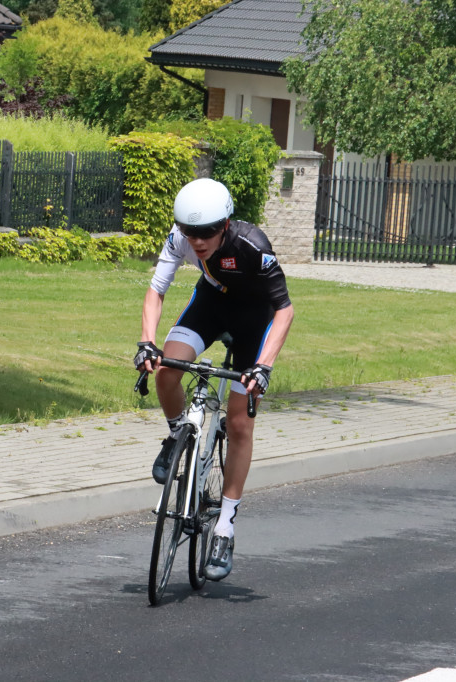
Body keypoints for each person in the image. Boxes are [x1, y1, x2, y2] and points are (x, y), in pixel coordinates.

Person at [134, 177, 294, 582]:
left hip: (253, 323)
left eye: (206, 232)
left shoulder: (253, 247)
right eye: (191, 232)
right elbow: (156, 291)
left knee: (240, 421)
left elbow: (284, 311)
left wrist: (264, 366)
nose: (198, 241)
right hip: (210, 306)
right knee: (167, 369)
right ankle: (175, 437)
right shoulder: (178, 238)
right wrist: (147, 342)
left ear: (225, 224)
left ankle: (224, 527)